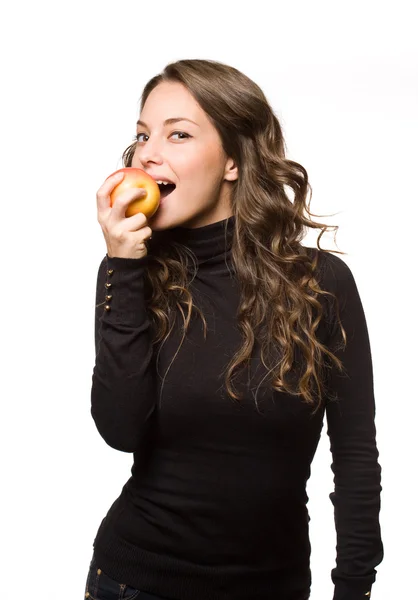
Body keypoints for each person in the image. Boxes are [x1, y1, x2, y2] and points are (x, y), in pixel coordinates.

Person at [85, 59, 383, 600]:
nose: (149, 152)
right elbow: (119, 431)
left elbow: (356, 454)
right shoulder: (131, 275)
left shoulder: (322, 284)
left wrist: (354, 588)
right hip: (136, 583)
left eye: (178, 134)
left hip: (273, 587)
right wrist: (123, 266)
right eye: (142, 135)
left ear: (233, 161)